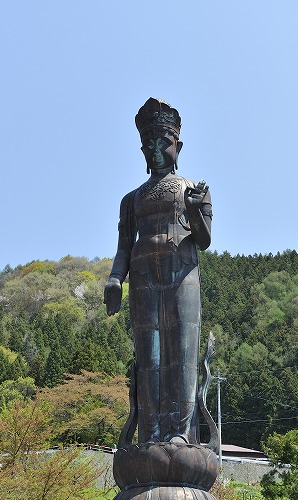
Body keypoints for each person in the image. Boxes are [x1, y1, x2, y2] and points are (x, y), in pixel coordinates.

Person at [104, 98, 212, 445]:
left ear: (178, 146)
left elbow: (204, 240)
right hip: (143, 279)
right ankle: (149, 434)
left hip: (182, 273)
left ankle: (180, 433)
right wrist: (115, 279)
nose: (155, 149)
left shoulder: (193, 189)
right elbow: (123, 246)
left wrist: (194, 211)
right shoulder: (131, 199)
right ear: (142, 150)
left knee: (182, 354)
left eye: (162, 142)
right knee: (148, 358)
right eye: (148, 144)